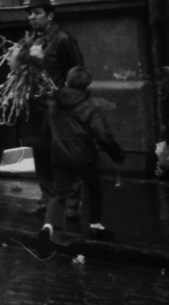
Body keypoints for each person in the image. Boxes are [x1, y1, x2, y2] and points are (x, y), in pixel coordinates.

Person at [37, 67, 126, 254]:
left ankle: (48, 227)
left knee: (58, 193)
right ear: (87, 86)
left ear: (67, 82)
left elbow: (46, 131)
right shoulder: (88, 107)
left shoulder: (54, 104)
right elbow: (103, 136)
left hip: (60, 155)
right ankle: (95, 225)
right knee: (94, 189)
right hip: (83, 157)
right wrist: (117, 154)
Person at [20, 0, 83, 213]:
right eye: (30, 13)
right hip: (37, 109)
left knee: (64, 155)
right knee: (41, 154)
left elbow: (76, 72)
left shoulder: (63, 39)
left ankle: (71, 203)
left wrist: (69, 102)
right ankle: (46, 199)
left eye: (37, 13)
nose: (32, 17)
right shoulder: (34, 41)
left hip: (58, 109)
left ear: (50, 16)